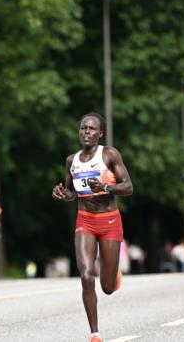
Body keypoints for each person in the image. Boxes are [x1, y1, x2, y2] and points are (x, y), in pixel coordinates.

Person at [52, 112, 133, 342]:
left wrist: (106, 188)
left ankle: (112, 275)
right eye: (83, 128)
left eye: (91, 129)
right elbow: (72, 192)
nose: (86, 132)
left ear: (101, 133)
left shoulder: (108, 154)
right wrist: (62, 194)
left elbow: (128, 187)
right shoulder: (72, 160)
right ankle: (94, 333)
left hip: (109, 221)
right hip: (85, 219)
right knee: (86, 275)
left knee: (107, 287)